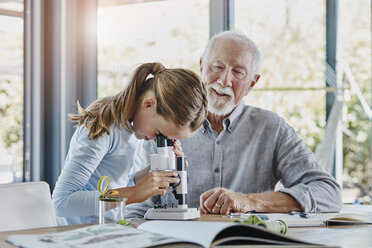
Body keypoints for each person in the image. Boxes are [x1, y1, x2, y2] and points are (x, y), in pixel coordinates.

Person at [125, 30, 342, 218]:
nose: (224, 81)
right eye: (217, 67)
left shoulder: (272, 129)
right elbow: (135, 209)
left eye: (238, 72)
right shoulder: (162, 126)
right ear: (201, 66)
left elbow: (329, 193)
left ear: (252, 83)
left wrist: (250, 202)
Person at [52, 62, 208, 225]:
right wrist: (134, 193)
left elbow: (115, 185)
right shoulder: (102, 125)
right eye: (160, 134)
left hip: (108, 229)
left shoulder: (133, 127)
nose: (157, 140)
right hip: (78, 234)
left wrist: (154, 173)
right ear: (149, 104)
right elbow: (62, 202)